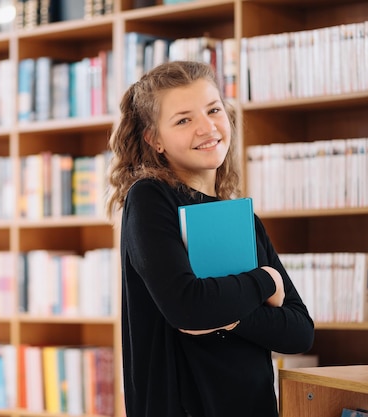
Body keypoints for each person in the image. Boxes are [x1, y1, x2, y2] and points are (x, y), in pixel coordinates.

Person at [106, 61, 314, 417]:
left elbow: (299, 332)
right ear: (154, 139)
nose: (207, 127)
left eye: (214, 110)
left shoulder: (242, 217)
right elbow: (187, 307)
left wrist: (229, 316)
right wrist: (265, 281)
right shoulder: (150, 199)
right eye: (183, 119)